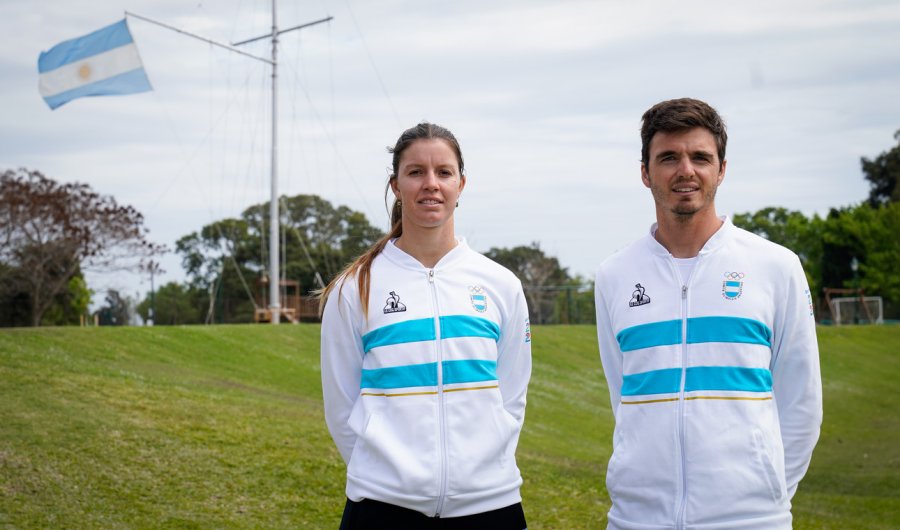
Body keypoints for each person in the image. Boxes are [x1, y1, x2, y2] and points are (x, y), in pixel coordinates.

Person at [594, 98, 823, 529]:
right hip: (637, 519)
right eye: (668, 158)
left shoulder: (775, 266)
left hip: (752, 519)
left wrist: (764, 494)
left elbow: (801, 402)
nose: (686, 170)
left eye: (701, 157)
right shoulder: (614, 275)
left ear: (721, 169)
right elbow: (622, 395)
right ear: (645, 172)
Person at [320, 122, 532, 530]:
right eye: (416, 172)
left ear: (461, 184)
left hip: (490, 505)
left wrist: (479, 473)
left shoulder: (501, 284)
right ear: (396, 185)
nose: (430, 184)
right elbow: (341, 407)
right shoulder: (354, 289)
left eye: (444, 172)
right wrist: (388, 479)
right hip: (381, 508)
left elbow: (511, 395)